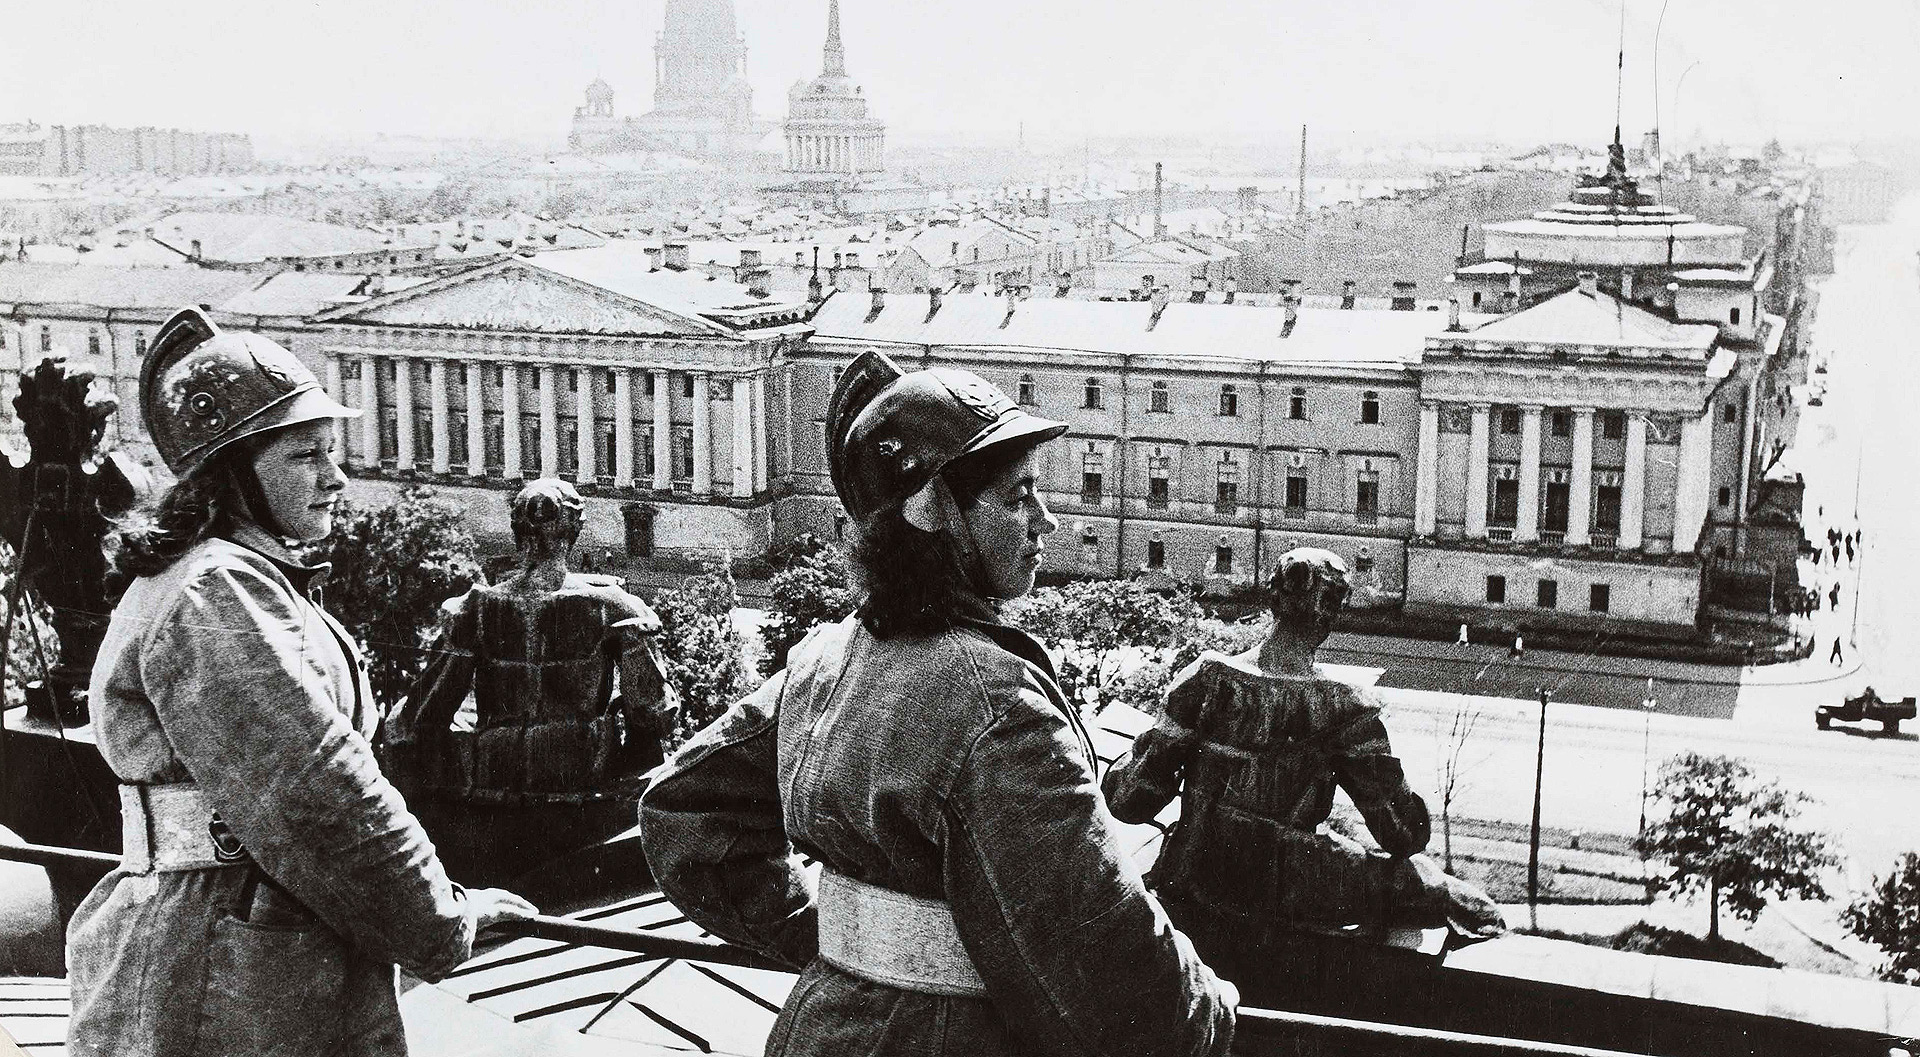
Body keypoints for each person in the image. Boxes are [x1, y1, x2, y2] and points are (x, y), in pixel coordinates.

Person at [639, 351, 1237, 1057]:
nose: (1047, 521)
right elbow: (1114, 970)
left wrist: (847, 948)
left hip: (820, 1029)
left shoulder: (828, 657)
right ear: (936, 516)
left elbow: (681, 810)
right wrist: (1210, 1011)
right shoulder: (998, 704)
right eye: (1018, 497)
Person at [66, 309, 535, 1056]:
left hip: (242, 943)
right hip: (221, 964)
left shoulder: (232, 580)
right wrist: (444, 922)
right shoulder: (214, 592)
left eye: (331, 451)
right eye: (304, 456)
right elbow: (322, 793)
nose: (336, 477)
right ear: (233, 472)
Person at [1102, 548, 1505, 981]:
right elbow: (1403, 835)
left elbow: (1129, 801)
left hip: (1196, 873)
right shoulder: (1345, 706)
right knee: (1452, 895)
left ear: (1273, 599)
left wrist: (1135, 751)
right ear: (1331, 615)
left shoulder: (1207, 679)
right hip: (1290, 885)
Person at [382, 479, 679, 883]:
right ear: (574, 530)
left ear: (516, 531)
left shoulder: (477, 607)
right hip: (585, 789)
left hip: (495, 788)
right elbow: (654, 712)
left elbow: (420, 716)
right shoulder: (614, 608)